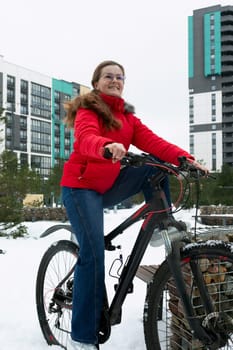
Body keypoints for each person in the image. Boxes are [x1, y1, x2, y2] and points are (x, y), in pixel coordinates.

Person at [60, 60, 208, 350]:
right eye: (108, 77)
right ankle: (82, 337)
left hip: (108, 185)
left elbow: (153, 142)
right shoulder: (88, 110)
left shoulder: (128, 117)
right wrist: (106, 146)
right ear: (96, 83)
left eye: (120, 77)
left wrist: (184, 158)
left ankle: (160, 224)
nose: (115, 81)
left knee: (158, 167)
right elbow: (86, 137)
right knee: (92, 256)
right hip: (81, 187)